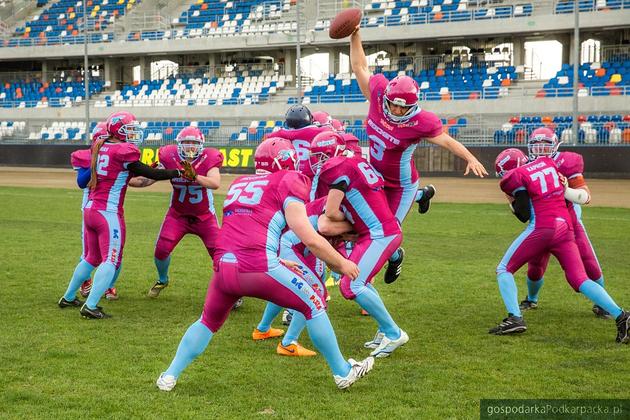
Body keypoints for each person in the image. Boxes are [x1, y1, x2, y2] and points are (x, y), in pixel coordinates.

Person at [156, 138, 374, 391]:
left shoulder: (239, 183)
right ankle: (343, 371)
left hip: (224, 266)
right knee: (314, 303)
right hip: (258, 266)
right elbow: (310, 237)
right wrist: (342, 263)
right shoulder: (287, 180)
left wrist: (278, 259)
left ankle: (169, 375)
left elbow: (243, 231)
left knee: (207, 321)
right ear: (284, 160)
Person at [349, 26, 488, 284]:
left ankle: (369, 281)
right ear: (387, 98)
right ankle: (422, 198)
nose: (398, 111)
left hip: (401, 186)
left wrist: (470, 158)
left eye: (404, 108)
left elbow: (445, 140)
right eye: (394, 105)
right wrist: (355, 35)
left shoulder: (421, 121)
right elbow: (360, 67)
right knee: (364, 228)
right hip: (374, 176)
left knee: (385, 234)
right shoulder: (379, 92)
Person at [58, 111, 194, 319]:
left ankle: (68, 297)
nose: (133, 133)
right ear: (118, 130)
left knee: (92, 257)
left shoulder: (101, 145)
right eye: (129, 129)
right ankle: (91, 305)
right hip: (107, 212)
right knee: (111, 260)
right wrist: (177, 172)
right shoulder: (123, 151)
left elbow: (136, 172)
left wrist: (154, 170)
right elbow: (150, 174)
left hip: (91, 208)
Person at [490, 148, 629, 343]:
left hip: (542, 227)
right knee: (579, 279)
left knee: (504, 268)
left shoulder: (514, 176)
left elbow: (524, 214)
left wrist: (511, 200)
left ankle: (515, 318)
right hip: (565, 227)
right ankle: (622, 316)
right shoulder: (548, 163)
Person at [313, 133, 409, 357]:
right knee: (359, 281)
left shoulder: (337, 169)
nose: (318, 161)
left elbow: (331, 212)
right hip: (379, 231)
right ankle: (386, 330)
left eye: (321, 156)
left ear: (334, 152)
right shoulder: (357, 162)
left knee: (351, 286)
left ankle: (394, 333)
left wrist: (350, 226)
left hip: (379, 233)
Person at [518, 128, 609, 318]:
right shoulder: (525, 165)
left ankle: (602, 303)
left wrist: (565, 189)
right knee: (535, 266)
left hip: (570, 221)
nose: (540, 150)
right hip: (541, 222)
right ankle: (531, 299)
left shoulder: (566, 162)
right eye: (536, 146)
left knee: (588, 262)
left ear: (556, 146)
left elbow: (585, 196)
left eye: (545, 146)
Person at [141, 126, 224, 298]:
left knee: (219, 253)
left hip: (204, 217)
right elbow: (146, 180)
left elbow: (215, 183)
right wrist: (127, 178)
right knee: (161, 250)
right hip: (177, 215)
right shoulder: (169, 157)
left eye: (194, 143)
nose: (190, 147)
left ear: (201, 145)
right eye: (186, 143)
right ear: (179, 144)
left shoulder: (209, 157)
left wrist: (194, 176)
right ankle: (163, 279)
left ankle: (229, 290)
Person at [71, 122, 120, 301]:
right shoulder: (87, 156)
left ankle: (108, 286)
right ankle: (85, 283)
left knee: (115, 252)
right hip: (91, 207)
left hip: (111, 208)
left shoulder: (117, 154)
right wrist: (95, 163)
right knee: (89, 254)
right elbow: (81, 182)